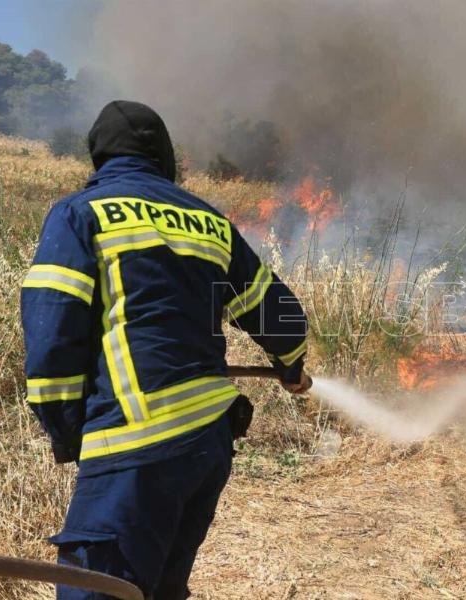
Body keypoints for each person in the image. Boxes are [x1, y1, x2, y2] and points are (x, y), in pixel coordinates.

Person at [20, 100, 311, 599]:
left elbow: (52, 329)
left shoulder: (80, 215)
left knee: (99, 589)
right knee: (161, 588)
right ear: (164, 157)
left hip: (133, 441)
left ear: (100, 157)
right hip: (207, 443)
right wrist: (291, 364)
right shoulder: (209, 221)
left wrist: (65, 432)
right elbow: (276, 310)